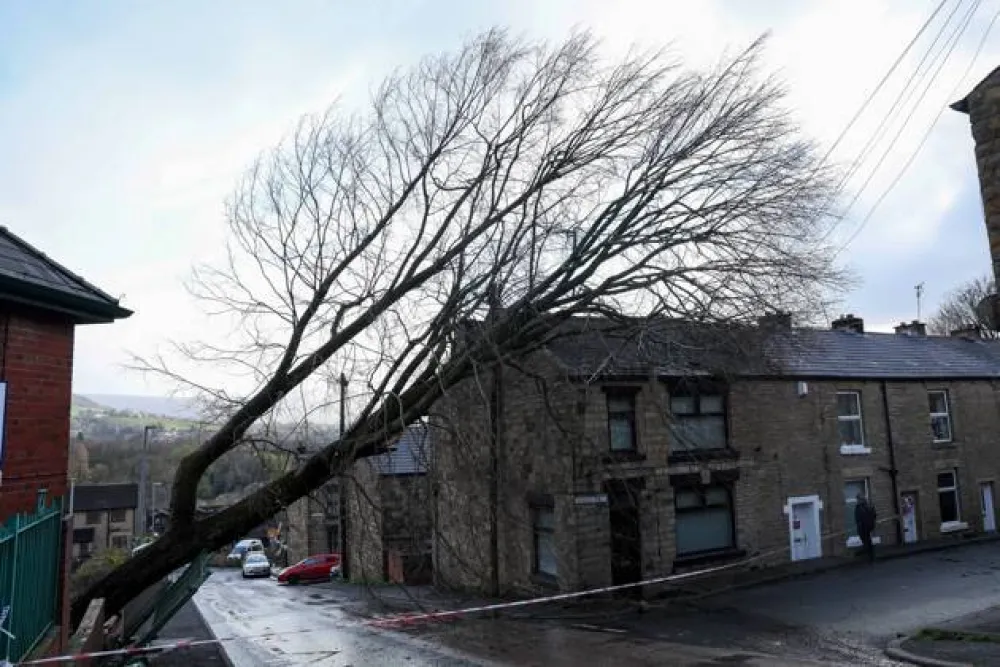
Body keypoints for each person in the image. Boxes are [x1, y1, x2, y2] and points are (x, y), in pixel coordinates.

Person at [854, 493, 877, 563]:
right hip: (866, 527)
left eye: (858, 499)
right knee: (867, 541)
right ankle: (870, 556)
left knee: (866, 542)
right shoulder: (865, 506)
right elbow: (873, 515)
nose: (857, 500)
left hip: (864, 528)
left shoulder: (859, 507)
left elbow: (858, 518)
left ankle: (867, 555)